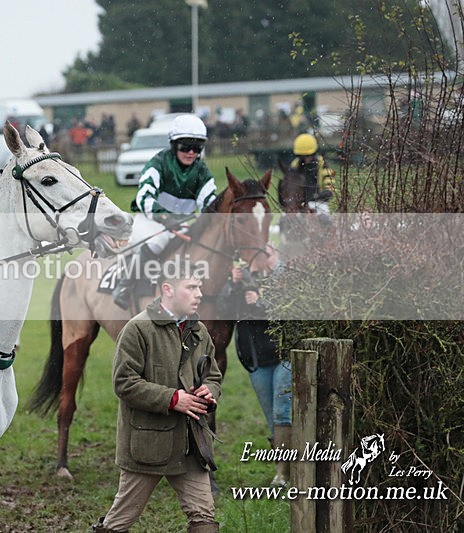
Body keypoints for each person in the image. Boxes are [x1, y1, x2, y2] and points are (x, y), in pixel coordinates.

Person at [92, 260, 222, 533]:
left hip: (190, 444)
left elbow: (213, 375)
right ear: (168, 289)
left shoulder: (199, 331)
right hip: (146, 445)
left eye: (199, 286)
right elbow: (124, 383)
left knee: (204, 519)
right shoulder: (138, 329)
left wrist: (211, 390)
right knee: (118, 523)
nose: (199, 293)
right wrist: (173, 399)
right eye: (191, 287)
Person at [112, 114, 217, 309]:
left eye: (197, 147)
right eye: (186, 146)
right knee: (157, 242)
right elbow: (144, 198)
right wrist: (164, 217)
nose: (191, 152)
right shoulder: (158, 163)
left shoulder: (202, 172)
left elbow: (209, 204)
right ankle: (124, 285)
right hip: (151, 220)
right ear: (174, 144)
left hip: (181, 224)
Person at [217, 243, 291, 487]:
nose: (255, 261)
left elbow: (290, 308)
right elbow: (223, 310)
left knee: (282, 411)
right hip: (256, 361)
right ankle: (284, 470)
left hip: (284, 356)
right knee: (272, 417)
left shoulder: (281, 279)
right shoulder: (240, 285)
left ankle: (286, 473)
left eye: (264, 255)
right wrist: (231, 283)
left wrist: (261, 300)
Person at [290, 133, 335, 220]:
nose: (305, 159)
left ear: (314, 153)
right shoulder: (295, 165)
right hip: (300, 203)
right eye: (302, 156)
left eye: (307, 156)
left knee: (326, 221)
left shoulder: (322, 164)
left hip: (318, 202)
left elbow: (330, 185)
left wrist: (322, 194)